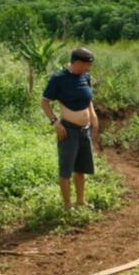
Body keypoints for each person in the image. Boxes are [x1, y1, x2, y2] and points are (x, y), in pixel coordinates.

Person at [40, 47, 100, 210]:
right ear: (78, 63)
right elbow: (44, 102)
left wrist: (93, 118)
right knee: (66, 169)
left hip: (84, 131)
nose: (89, 69)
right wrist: (55, 122)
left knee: (80, 169)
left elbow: (88, 100)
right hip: (68, 130)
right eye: (87, 65)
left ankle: (81, 201)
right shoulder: (58, 79)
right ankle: (67, 204)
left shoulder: (85, 77)